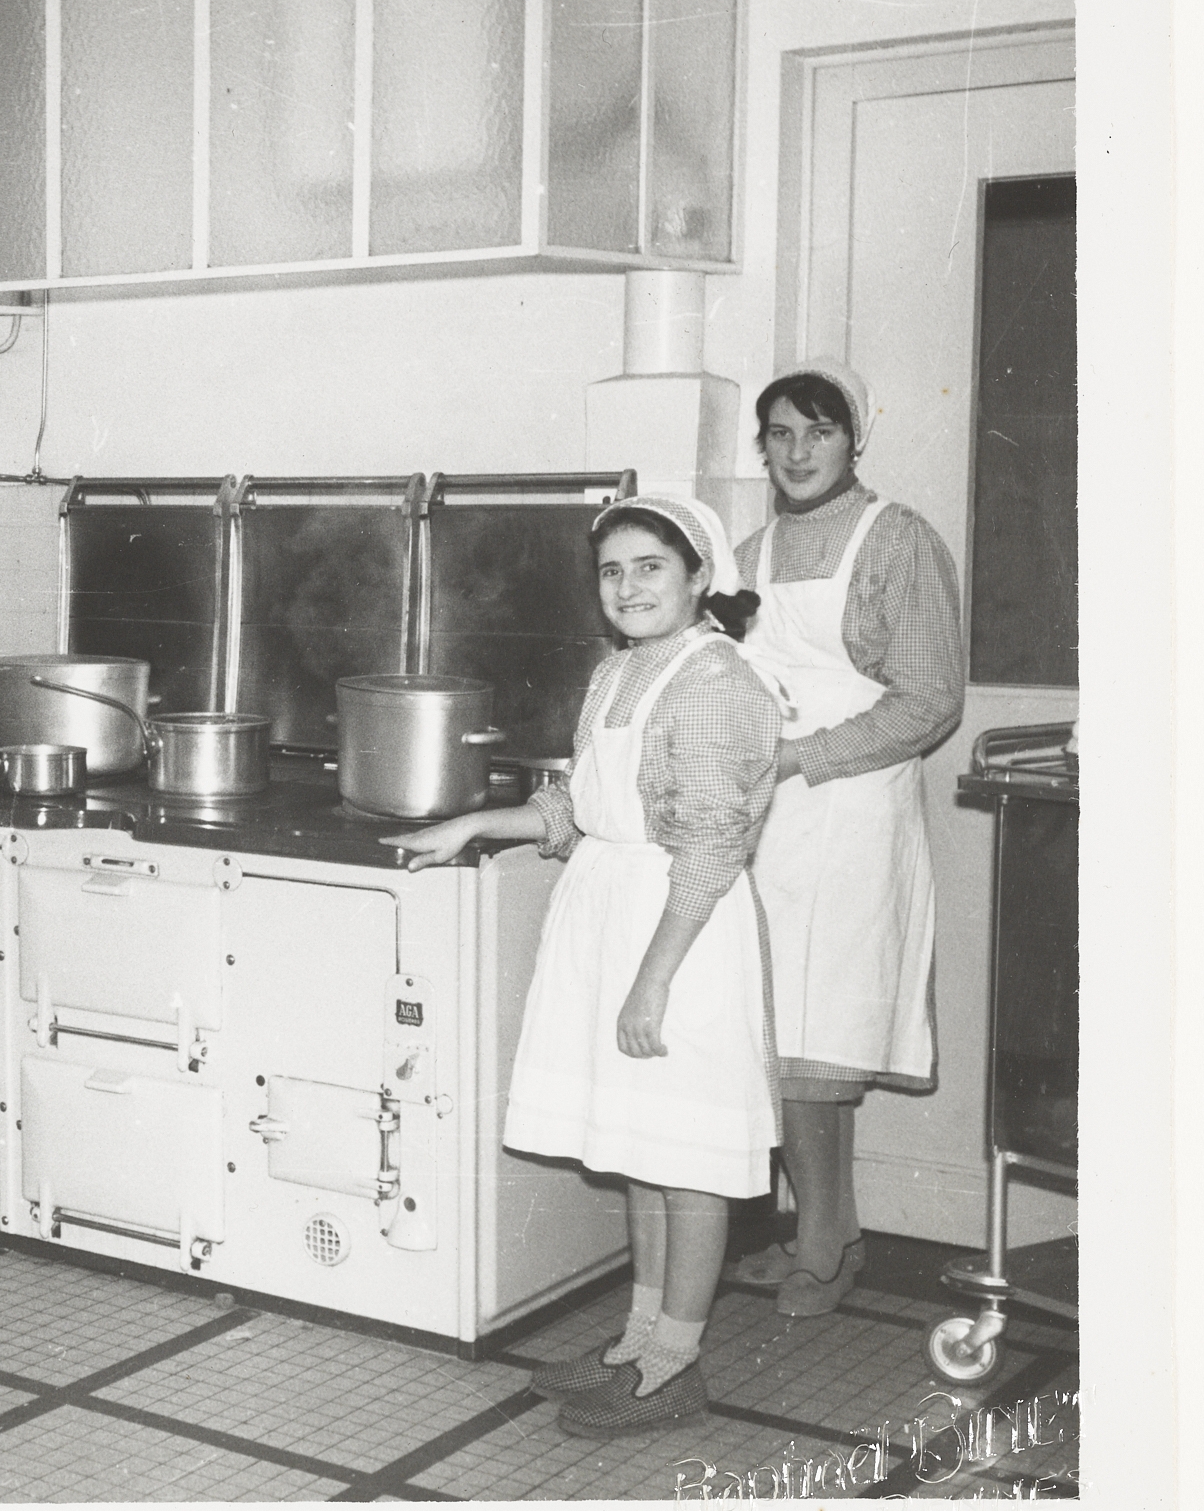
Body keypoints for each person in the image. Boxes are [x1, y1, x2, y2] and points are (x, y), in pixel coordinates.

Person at [394, 496, 781, 1438]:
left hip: (680, 931)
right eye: (613, 571)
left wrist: (654, 981)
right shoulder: (617, 674)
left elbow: (711, 849)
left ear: (698, 578)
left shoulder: (717, 680)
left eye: (651, 567)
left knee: (687, 1162)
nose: (630, 586)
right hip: (611, 914)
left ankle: (675, 1363)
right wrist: (477, 822)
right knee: (639, 1154)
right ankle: (636, 1342)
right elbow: (576, 813)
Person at [725, 360, 962, 1317]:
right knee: (778, 1034)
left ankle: (824, 1245)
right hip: (772, 819)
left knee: (826, 1035)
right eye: (780, 434)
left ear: (852, 439)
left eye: (817, 432)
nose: (797, 451)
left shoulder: (896, 539)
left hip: (856, 811)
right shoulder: (751, 556)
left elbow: (931, 701)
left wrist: (803, 758)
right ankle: (829, 1234)